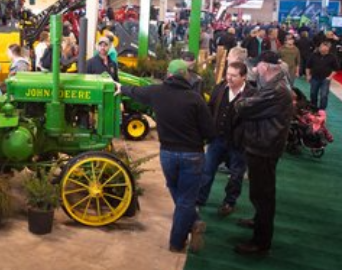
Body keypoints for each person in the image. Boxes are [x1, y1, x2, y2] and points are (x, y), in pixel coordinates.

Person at [116, 60, 214, 253]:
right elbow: (210, 131)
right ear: (186, 76)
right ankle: (178, 241)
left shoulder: (156, 92)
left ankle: (193, 222)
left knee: (173, 188)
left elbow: (135, 92)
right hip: (192, 154)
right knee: (186, 200)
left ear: (168, 75)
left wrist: (120, 87)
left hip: (167, 154)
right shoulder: (195, 99)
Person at [233, 51, 295, 255]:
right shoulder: (274, 84)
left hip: (265, 147)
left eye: (257, 66)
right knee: (260, 192)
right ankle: (258, 222)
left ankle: (260, 242)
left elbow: (243, 107)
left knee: (263, 194)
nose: (254, 70)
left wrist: (241, 98)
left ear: (265, 67)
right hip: (263, 144)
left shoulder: (276, 90)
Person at [197, 61, 256, 216]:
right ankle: (200, 199)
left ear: (244, 77)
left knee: (236, 175)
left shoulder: (252, 94)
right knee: (207, 170)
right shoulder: (220, 88)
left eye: (233, 76)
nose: (229, 78)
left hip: (238, 143)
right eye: (227, 74)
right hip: (217, 139)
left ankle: (229, 202)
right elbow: (210, 108)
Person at [306, 40, 339, 110]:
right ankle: (313, 108)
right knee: (313, 94)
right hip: (314, 78)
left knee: (324, 96)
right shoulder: (313, 55)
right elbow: (308, 66)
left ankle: (322, 110)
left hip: (325, 79)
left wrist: (330, 77)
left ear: (328, 48)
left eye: (322, 46)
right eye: (320, 46)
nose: (320, 48)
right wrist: (308, 75)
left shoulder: (332, 57)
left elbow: (336, 69)